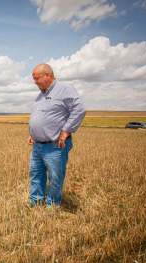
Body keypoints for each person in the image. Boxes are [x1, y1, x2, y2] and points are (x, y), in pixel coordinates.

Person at [25, 63, 86, 210]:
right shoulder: (42, 93)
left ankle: (52, 205)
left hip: (55, 145)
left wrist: (67, 130)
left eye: (37, 78)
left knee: (55, 177)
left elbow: (79, 109)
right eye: (34, 79)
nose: (35, 82)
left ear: (47, 74)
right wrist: (33, 133)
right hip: (38, 144)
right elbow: (42, 116)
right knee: (36, 174)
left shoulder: (64, 89)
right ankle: (35, 200)